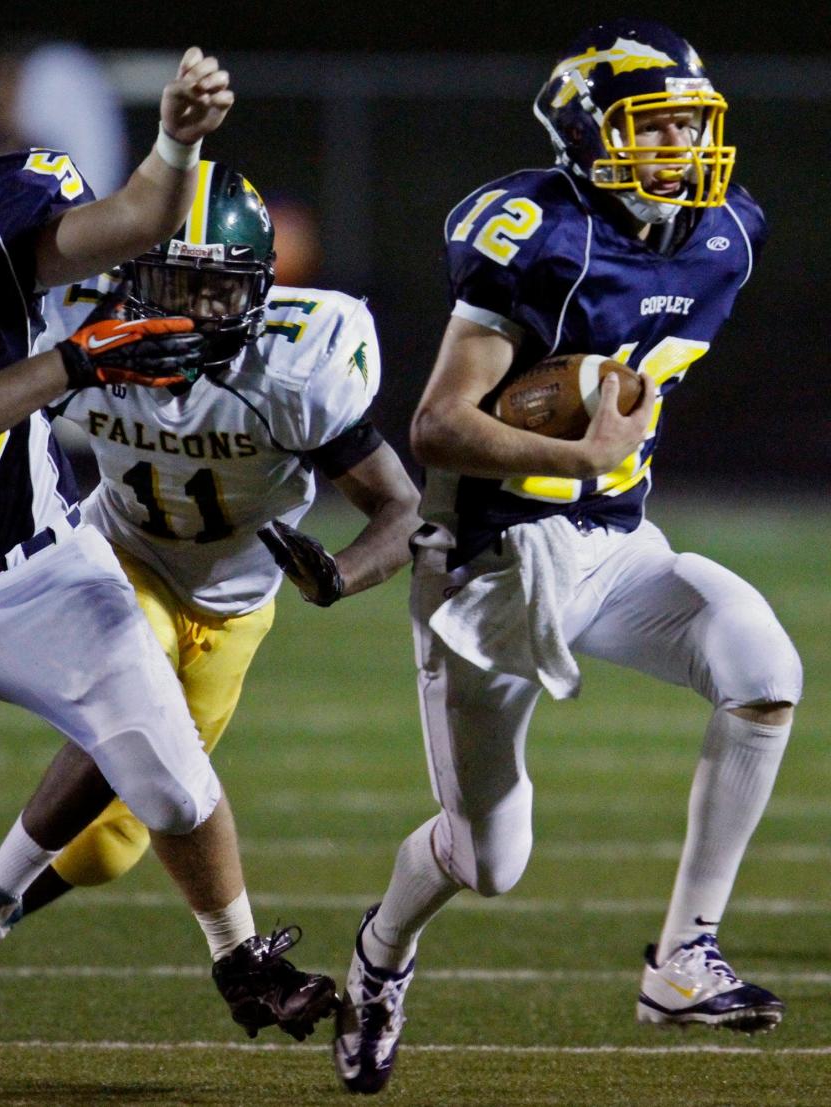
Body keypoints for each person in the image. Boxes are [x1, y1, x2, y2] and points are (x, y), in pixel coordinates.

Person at [332, 17, 803, 1095]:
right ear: (590, 135)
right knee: (489, 861)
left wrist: (597, 461)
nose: (681, 144)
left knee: (765, 673)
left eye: (692, 122)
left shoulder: (729, 229)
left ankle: (683, 959)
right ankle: (379, 957)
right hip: (493, 566)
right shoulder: (537, 233)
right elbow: (439, 426)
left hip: (616, 545)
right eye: (656, 124)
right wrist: (574, 445)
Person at [0, 19, 334, 1061]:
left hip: (35, 576)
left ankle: (241, 955)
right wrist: (78, 363)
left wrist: (176, 145)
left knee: (172, 780)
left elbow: (128, 222)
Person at [0, 159, 422, 1056]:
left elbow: (404, 509)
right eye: (165, 284)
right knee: (124, 713)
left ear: (258, 292)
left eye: (209, 291)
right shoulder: (90, 327)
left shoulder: (297, 361)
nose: (181, 310)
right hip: (117, 555)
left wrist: (339, 574)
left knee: (110, 849)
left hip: (235, 603)